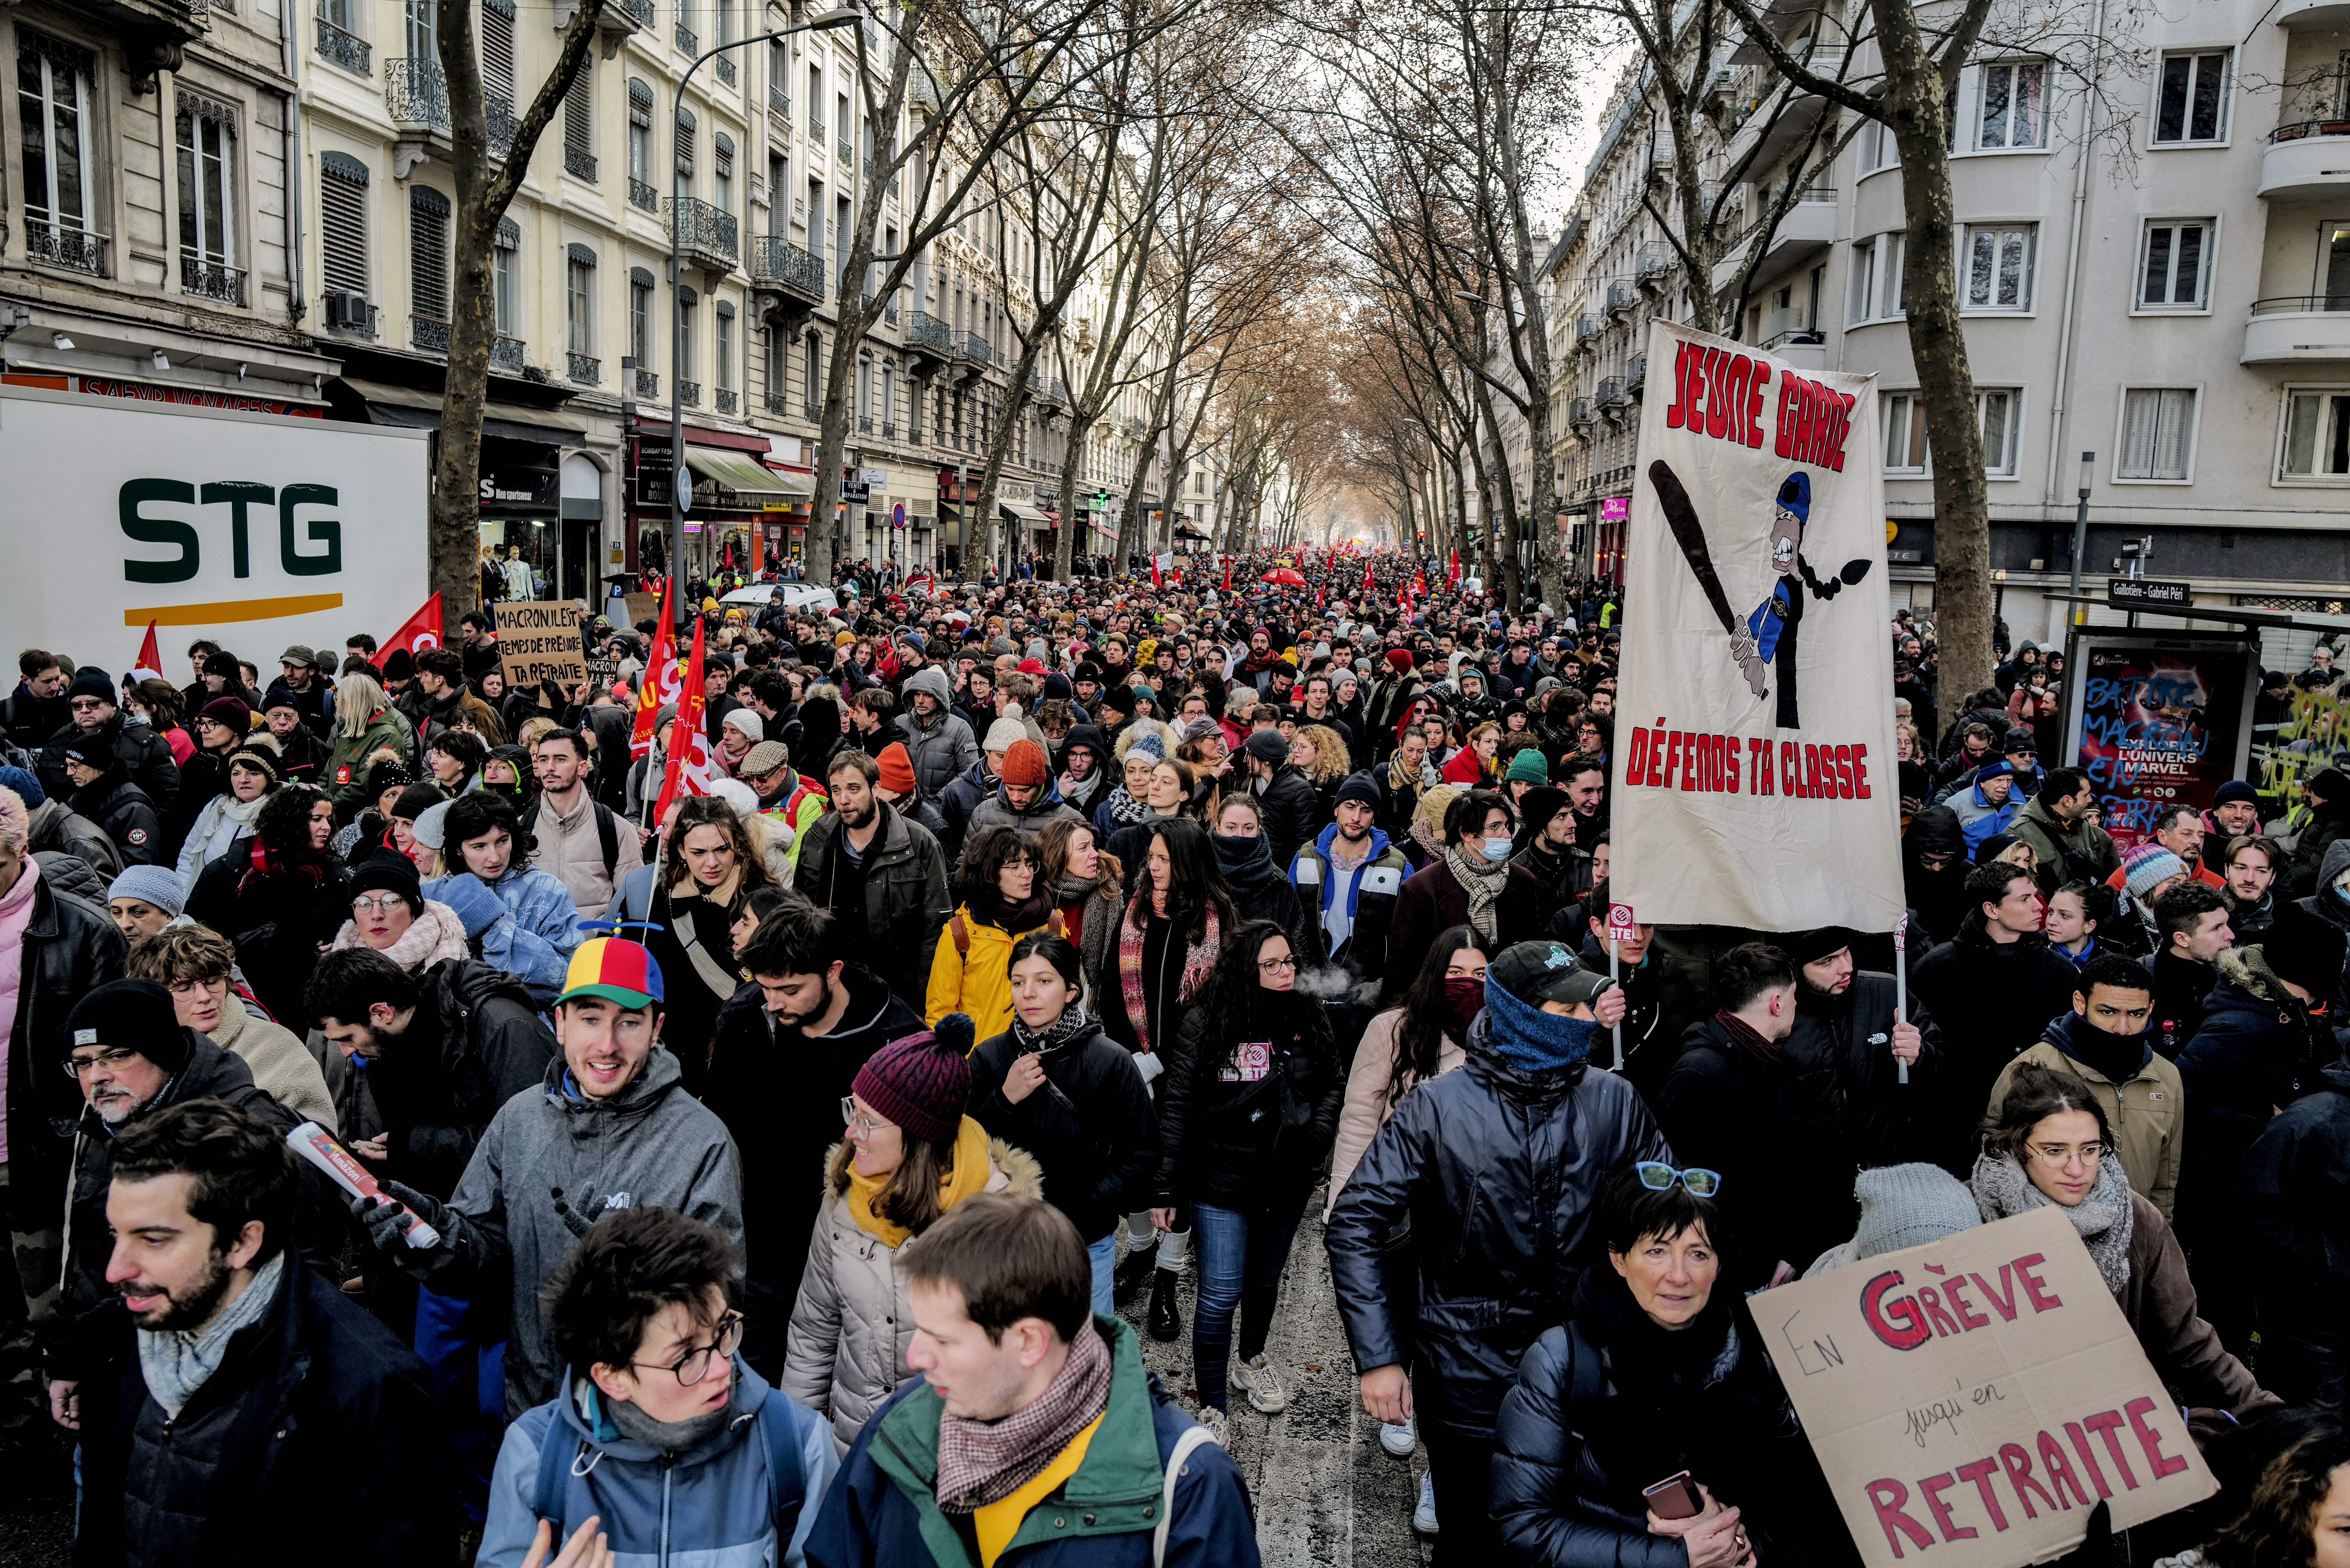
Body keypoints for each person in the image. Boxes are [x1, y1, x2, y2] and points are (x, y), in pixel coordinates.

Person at [1327, 940, 1672, 1566]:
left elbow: (1666, 1217)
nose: (1583, 1023)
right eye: (1565, 1011)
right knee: (1474, 1541)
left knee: (1577, 1539)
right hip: (1468, 1375)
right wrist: (1379, 1356)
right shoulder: (1437, 1107)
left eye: (1586, 1008)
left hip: (1589, 1369)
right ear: (1519, 1013)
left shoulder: (1614, 1100)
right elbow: (1355, 1222)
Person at [348, 930, 744, 1418]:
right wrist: (430, 1231)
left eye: (629, 1022)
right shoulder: (519, 1119)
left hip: (642, 1418)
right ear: (559, 1022)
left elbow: (718, 1293)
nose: (607, 1043)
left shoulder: (700, 1141)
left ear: (657, 1028)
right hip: (531, 1406)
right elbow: (484, 1252)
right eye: (590, 1018)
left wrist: (618, 1271)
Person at [70, 1099, 441, 1567]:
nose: (115, 1269)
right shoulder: (117, 1336)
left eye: (154, 1239)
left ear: (244, 1241)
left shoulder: (368, 1387)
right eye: (115, 1233)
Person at [802, 1190, 1261, 1568]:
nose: (916, 1356)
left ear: (1028, 1341)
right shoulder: (902, 1429)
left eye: (943, 1340)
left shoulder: (1191, 1489)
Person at [1490, 1167, 1849, 1568]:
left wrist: (1752, 1551)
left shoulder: (1755, 1357)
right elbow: (1524, 1526)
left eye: (1698, 1254)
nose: (1679, 1276)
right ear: (1619, 1259)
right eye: (1657, 1250)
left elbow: (1805, 1500)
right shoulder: (1563, 1361)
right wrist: (1678, 1559)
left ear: (1718, 1266)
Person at [476, 1206, 839, 1568]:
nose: (721, 1368)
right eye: (685, 1357)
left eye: (721, 1332)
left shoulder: (797, 1445)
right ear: (613, 1378)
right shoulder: (536, 1457)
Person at [781, 1015, 1043, 1452]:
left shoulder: (999, 1225)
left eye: (868, 1120)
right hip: (854, 1451)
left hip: (949, 1465)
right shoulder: (844, 1201)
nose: (851, 1132)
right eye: (854, 1109)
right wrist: (798, 1448)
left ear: (918, 1137)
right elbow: (813, 1332)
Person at [1973, 1064, 2273, 1418]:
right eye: (2055, 1151)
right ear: (2015, 1147)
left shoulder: (2137, 1217)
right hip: (2004, 1419)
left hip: (2111, 1421)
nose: (2076, 1169)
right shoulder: (1968, 1218)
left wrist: (2271, 1418)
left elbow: (2190, 1343)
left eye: (2090, 1149)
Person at [1149, 920, 1342, 1440]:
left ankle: (1251, 1359)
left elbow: (1331, 1078)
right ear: (1245, 968)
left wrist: (1317, 1136)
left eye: (1289, 962)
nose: (1286, 972)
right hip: (1222, 1179)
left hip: (1286, 1179)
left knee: (1263, 1283)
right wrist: (1166, 1185)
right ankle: (1212, 1406)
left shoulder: (1307, 1009)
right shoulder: (1208, 1019)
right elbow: (1179, 1104)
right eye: (1272, 964)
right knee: (1219, 1292)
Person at [717, 898, 924, 1373]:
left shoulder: (896, 1038)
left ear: (833, 971)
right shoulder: (746, 1018)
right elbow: (721, 1131)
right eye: (765, 986)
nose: (773, 1002)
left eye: (789, 989)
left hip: (860, 1254)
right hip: (763, 1254)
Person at [2176, 902, 2347, 1351]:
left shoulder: (2283, 1009)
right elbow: (2180, 1100)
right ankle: (2223, 1391)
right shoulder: (2240, 1025)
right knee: (2227, 1293)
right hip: (2226, 1188)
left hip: (2260, 1178)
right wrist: (2265, 1124)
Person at [1653, 943, 1865, 1288]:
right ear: (1777, 1003)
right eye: (1794, 996)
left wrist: (1792, 1249)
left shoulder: (1768, 1060)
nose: (1797, 1005)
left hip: (1769, 1263)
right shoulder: (1696, 1078)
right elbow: (1681, 1189)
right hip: (1729, 1274)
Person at [969, 933, 1159, 1314]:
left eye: (1044, 981)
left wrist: (1089, 1197)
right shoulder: (990, 1058)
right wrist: (1003, 1099)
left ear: (1072, 991)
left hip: (1085, 1239)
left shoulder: (1110, 1061)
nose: (1028, 994)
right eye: (1019, 982)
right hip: (1006, 1240)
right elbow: (962, 1146)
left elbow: (1144, 1150)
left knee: (1087, 1352)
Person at [1908, 859, 2082, 1173]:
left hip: (2035, 1121)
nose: (2038, 907)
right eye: (2024, 899)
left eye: (2036, 896)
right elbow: (1927, 1050)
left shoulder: (2060, 973)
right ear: (1992, 909)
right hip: (1957, 1125)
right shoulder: (1937, 969)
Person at [1987, 952, 2185, 1219]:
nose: (2123, 1028)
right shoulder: (2029, 1072)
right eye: (2108, 1012)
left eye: (2136, 1014)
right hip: (2050, 1238)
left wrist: (2158, 1241)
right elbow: (1996, 1173)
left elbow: (2164, 1183)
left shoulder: (2167, 1077)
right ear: (2080, 1003)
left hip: (2134, 1241)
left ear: (2151, 1009)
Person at [125, 922, 336, 1130]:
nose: (204, 997)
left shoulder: (275, 1042)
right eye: (184, 988)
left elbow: (318, 1137)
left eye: (212, 982)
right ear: (154, 994)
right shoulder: (127, 1051)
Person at [794, 749, 953, 1011]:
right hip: (834, 987)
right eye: (836, 790)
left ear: (876, 789)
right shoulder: (819, 838)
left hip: (896, 990)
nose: (843, 800)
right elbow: (799, 909)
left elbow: (935, 929)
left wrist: (923, 999)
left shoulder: (919, 845)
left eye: (854, 789)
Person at [185, 783, 352, 1030]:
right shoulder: (231, 870)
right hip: (242, 990)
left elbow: (345, 924)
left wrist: (335, 946)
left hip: (302, 996)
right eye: (316, 819)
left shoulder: (332, 873)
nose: (327, 828)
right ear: (290, 821)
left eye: (329, 819)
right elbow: (195, 931)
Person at [638, 796, 769, 1093]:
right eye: (699, 852)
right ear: (681, 850)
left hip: (740, 1055)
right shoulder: (663, 899)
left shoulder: (764, 903)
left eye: (721, 849)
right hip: (672, 1056)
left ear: (737, 844)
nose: (712, 863)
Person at [2243, 1051, 2350, 1409]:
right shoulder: (2310, 1121)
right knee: (2318, 1421)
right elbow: (2258, 1205)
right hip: (2316, 1306)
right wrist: (2320, 1262)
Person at [1781, 925, 1934, 1171]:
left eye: (1846, 953)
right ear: (1796, 969)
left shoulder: (1885, 992)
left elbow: (1946, 1070)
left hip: (1892, 1165)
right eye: (1827, 961)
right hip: (1816, 1176)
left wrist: (1920, 1055)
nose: (1846, 968)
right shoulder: (1780, 1014)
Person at [423, 790, 584, 1006]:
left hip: (526, 1025)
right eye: (479, 846)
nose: (495, 857)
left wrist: (496, 929)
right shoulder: (432, 896)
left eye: (502, 841)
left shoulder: (548, 891)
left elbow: (571, 975)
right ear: (458, 849)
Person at [1384, 788, 1543, 1001]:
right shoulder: (1421, 889)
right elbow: (1400, 971)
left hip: (1503, 1007)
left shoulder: (1522, 880)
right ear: (1466, 833)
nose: (1506, 835)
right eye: (1495, 827)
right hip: (1438, 1008)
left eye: (1507, 826)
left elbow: (1531, 954)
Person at [1291, 771, 1411, 1011]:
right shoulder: (1306, 856)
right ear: (1336, 809)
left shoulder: (1398, 865)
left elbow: (1407, 938)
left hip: (1366, 995)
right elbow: (1287, 920)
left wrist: (1380, 987)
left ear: (1374, 817)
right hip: (1310, 989)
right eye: (1350, 806)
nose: (1356, 817)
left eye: (1366, 810)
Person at [926, 824, 1057, 1040]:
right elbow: (940, 1012)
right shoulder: (960, 933)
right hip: (980, 1061)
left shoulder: (1052, 924)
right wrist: (965, 1061)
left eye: (1030, 864)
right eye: (1015, 866)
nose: (1027, 874)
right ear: (990, 871)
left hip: (1039, 1058)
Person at [35, 665, 180, 824]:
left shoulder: (148, 743)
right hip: (71, 836)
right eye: (77, 705)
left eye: (93, 704)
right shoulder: (59, 742)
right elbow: (46, 795)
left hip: (130, 835)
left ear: (112, 705)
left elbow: (168, 799)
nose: (84, 710)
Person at [526, 728, 642, 921]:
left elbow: (632, 905)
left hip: (593, 946)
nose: (550, 768)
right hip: (537, 947)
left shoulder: (617, 830)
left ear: (582, 768)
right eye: (544, 759)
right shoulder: (523, 827)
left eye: (560, 759)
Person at [1207, 793, 1322, 966]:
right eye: (1231, 828)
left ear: (1259, 829)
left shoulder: (1278, 883)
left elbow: (1296, 940)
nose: (1240, 836)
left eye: (1248, 828)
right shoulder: (1201, 873)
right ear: (1217, 827)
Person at [1036, 815, 1125, 1008]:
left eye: (1093, 846)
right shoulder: (1037, 895)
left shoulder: (1108, 889)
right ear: (1058, 855)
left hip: (1091, 999)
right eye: (1084, 848)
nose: (1095, 854)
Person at [2147, 880, 2234, 1058]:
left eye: (2226, 924)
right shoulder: (2143, 981)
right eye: (2217, 929)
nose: (2230, 935)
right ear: (2182, 939)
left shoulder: (2232, 980)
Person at [173, 745, 277, 892]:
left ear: (269, 778)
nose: (243, 780)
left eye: (253, 773)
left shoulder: (277, 814)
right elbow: (188, 856)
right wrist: (184, 898)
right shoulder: (217, 806)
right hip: (201, 903)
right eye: (236, 773)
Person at [58, 733, 166, 867]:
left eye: (76, 765)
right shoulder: (77, 799)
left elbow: (139, 864)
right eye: (68, 765)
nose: (69, 772)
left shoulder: (136, 809)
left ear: (98, 765)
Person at [2011, 766, 2120, 897]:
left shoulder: (2098, 837)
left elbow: (2115, 889)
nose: (2090, 800)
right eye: (2085, 795)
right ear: (2067, 801)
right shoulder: (2018, 834)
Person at [323, 671, 413, 818]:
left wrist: (329, 807)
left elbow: (364, 785)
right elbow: (330, 770)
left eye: (342, 699)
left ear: (356, 702)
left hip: (361, 819)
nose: (338, 704)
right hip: (334, 815)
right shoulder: (351, 730)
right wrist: (320, 801)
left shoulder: (386, 735)